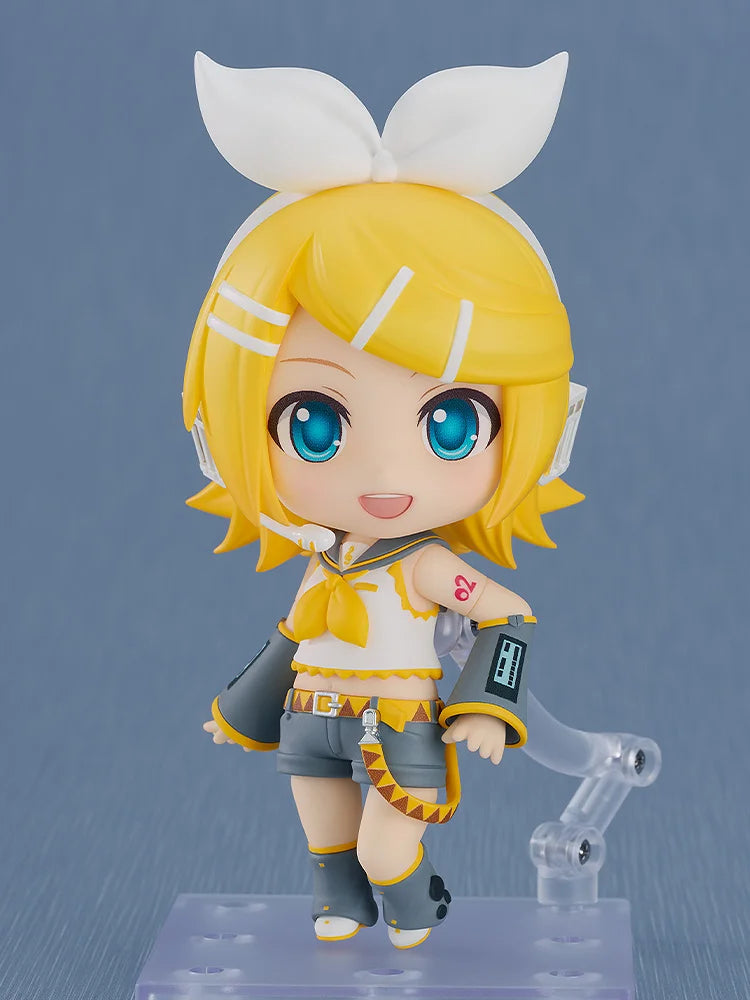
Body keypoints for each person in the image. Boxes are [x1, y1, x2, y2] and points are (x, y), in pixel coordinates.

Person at [184, 52, 582, 949]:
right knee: (326, 838)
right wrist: (241, 708)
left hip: (395, 721)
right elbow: (291, 638)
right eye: (316, 425)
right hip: (310, 716)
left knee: (383, 845)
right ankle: (341, 903)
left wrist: (486, 704)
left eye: (450, 423)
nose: (385, 471)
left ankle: (412, 904)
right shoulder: (322, 555)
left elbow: (508, 615)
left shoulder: (427, 565)